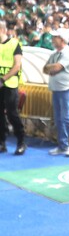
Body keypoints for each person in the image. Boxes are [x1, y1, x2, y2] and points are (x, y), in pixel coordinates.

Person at [42, 28, 69, 157]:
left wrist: (52, 68)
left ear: (62, 39)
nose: (53, 40)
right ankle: (63, 145)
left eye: (56, 37)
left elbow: (56, 68)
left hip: (66, 89)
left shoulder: (68, 53)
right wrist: (52, 68)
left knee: (66, 117)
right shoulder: (55, 54)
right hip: (57, 89)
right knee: (59, 118)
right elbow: (45, 68)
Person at [0, 20, 26, 155]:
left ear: (3, 30)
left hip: (10, 84)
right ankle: (2, 142)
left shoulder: (14, 44)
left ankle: (21, 141)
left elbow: (17, 66)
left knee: (12, 113)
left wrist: (3, 79)